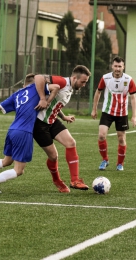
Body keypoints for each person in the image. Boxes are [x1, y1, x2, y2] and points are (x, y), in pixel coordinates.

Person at [0, 73, 60, 193]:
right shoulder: (36, 89)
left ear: (24, 85)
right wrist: (46, 101)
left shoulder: (17, 94)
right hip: (24, 132)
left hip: (12, 130)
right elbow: (56, 87)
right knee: (19, 170)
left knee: (7, 161)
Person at [33, 65, 91, 193]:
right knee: (53, 156)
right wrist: (42, 98)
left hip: (52, 121)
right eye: (83, 82)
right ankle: (57, 181)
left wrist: (64, 117)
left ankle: (75, 180)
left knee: (71, 143)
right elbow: (38, 77)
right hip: (40, 124)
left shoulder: (69, 88)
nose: (84, 85)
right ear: (75, 78)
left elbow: (55, 105)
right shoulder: (63, 82)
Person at [91, 56, 136, 171]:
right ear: (112, 66)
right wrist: (94, 109)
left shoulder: (129, 79)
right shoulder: (105, 78)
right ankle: (105, 160)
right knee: (101, 135)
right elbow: (98, 93)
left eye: (120, 66)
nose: (117, 69)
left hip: (122, 113)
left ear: (123, 67)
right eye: (115, 66)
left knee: (121, 138)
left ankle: (120, 164)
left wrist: (134, 116)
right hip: (107, 111)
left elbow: (133, 98)